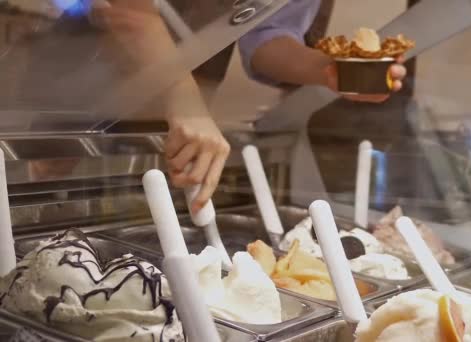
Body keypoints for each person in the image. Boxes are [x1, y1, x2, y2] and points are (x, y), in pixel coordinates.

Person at [93, 0, 407, 212]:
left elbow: (265, 35)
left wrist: (329, 70)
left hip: (171, 116)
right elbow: (129, 11)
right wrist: (187, 102)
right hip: (81, 89)